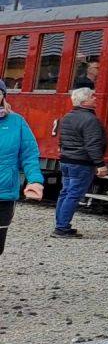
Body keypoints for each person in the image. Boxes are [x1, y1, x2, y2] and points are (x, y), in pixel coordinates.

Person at [53, 86, 108, 238]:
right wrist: (100, 164)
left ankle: (61, 225)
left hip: (66, 160)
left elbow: (62, 140)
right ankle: (62, 228)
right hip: (81, 162)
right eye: (92, 96)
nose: (95, 98)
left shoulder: (68, 116)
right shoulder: (90, 120)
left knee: (65, 193)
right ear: (84, 101)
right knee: (73, 195)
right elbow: (93, 144)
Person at [0, 81, 45, 256]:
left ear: (4, 95)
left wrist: (35, 180)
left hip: (4, 194)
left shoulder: (17, 122)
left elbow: (29, 155)